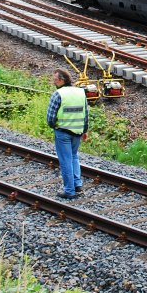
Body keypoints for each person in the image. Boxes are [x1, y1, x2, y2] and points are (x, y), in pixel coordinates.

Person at [46, 68, 88, 199]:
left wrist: (54, 126)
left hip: (63, 132)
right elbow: (86, 114)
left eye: (55, 79)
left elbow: (50, 117)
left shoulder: (58, 94)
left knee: (65, 160)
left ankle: (69, 190)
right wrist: (85, 130)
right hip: (77, 131)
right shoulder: (81, 92)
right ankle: (77, 184)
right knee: (74, 156)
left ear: (61, 80)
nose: (54, 81)